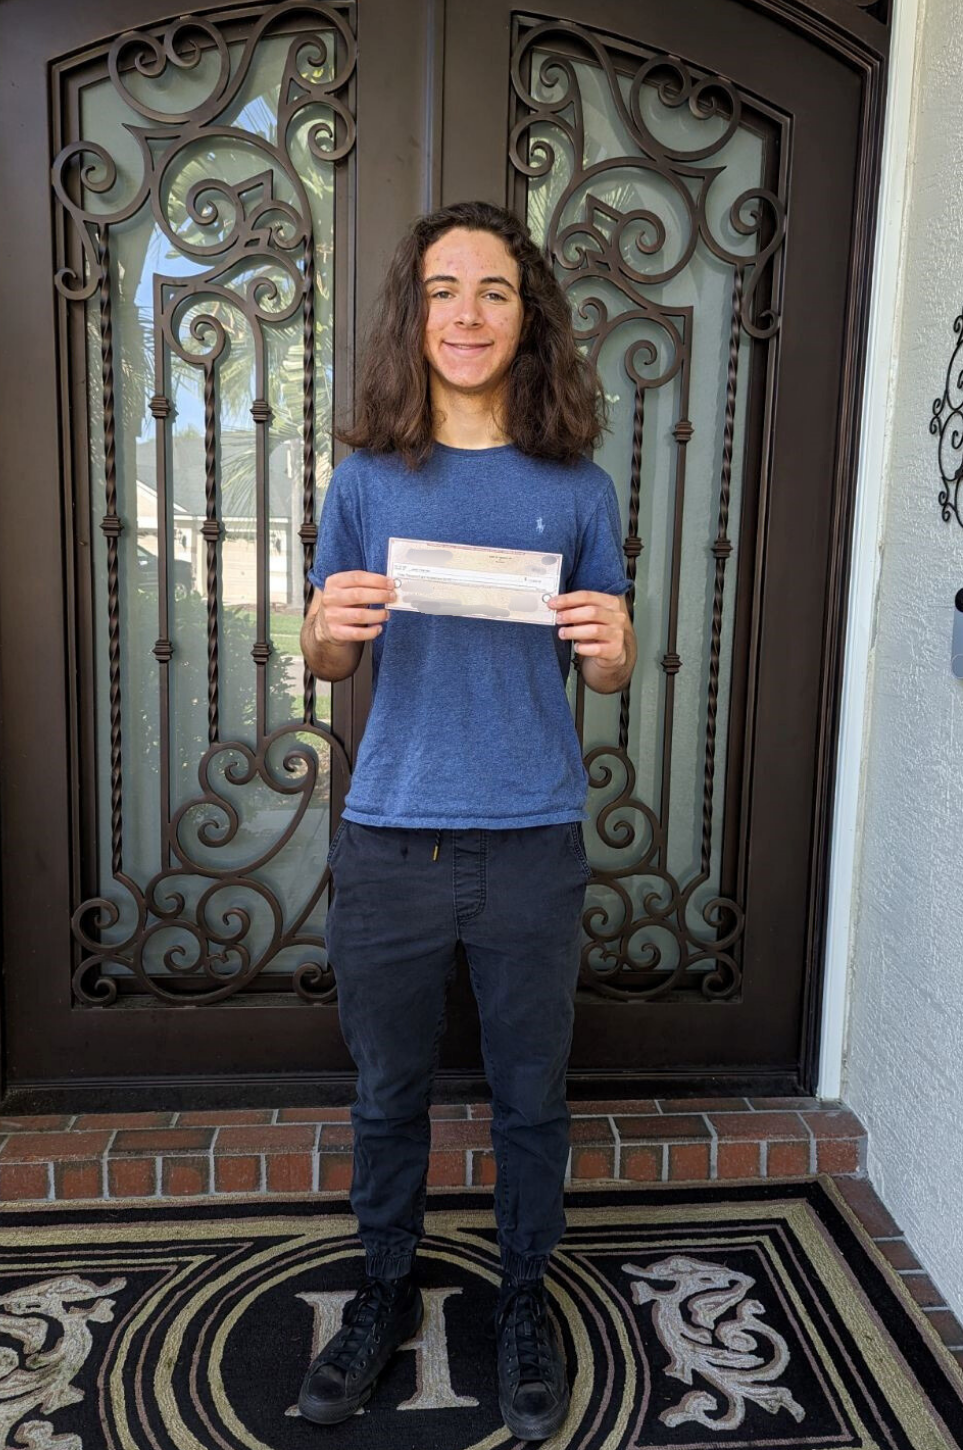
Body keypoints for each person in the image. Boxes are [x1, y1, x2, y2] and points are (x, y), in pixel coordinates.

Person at [296, 199, 636, 1440]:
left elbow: (600, 666)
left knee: (529, 1095)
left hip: (531, 842)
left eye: (493, 290)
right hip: (390, 838)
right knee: (387, 1092)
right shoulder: (366, 480)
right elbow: (326, 656)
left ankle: (526, 1299)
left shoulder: (578, 487)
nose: (467, 314)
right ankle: (384, 1286)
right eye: (444, 290)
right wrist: (325, 634)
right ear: (414, 314)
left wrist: (613, 655)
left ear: (527, 314)